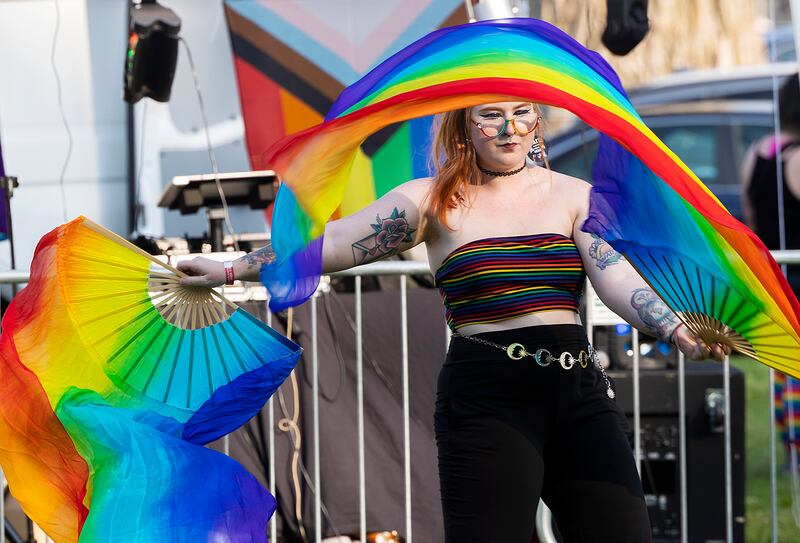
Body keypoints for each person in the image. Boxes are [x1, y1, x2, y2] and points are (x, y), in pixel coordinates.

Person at [179, 102, 730, 542]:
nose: (509, 128)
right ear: (465, 122)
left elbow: (614, 276)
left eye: (521, 113)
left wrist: (674, 327)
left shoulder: (573, 196)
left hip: (577, 390)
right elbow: (331, 247)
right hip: (487, 399)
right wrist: (228, 267)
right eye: (491, 114)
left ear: (538, 120)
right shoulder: (432, 201)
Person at [740, 75, 800, 470]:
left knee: (787, 371)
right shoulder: (798, 157)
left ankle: (791, 449)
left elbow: (751, 215)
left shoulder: (759, 152)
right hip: (796, 282)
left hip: (774, 279)